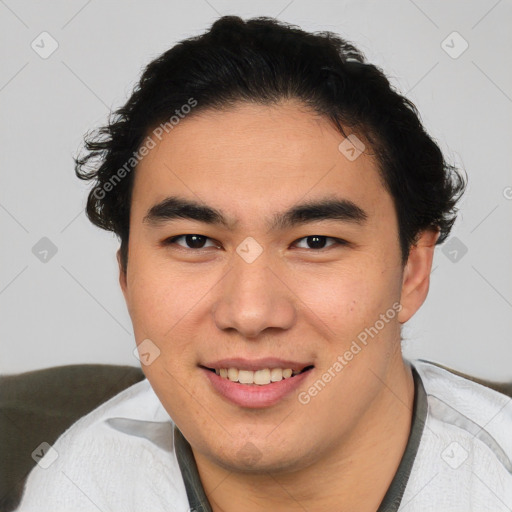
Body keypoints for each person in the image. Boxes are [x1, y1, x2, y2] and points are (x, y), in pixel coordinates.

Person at [16, 15, 512, 512]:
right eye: (193, 240)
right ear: (125, 275)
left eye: (316, 242)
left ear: (412, 271)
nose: (251, 313)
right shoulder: (76, 486)